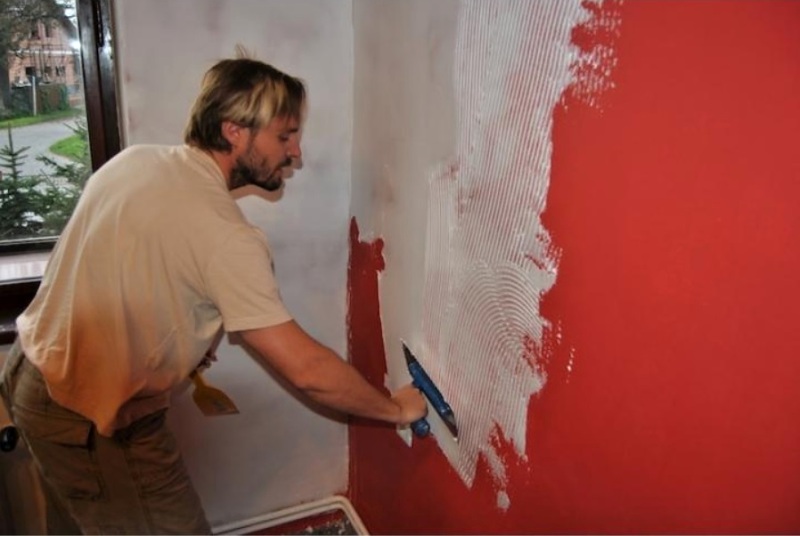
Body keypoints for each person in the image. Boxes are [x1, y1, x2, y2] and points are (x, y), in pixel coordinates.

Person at [0, 56, 427, 534]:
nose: (296, 153)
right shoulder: (228, 236)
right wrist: (394, 408)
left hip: (30, 374)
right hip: (89, 419)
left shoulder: (135, 161)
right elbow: (307, 371)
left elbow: (114, 270)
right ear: (235, 132)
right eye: (284, 136)